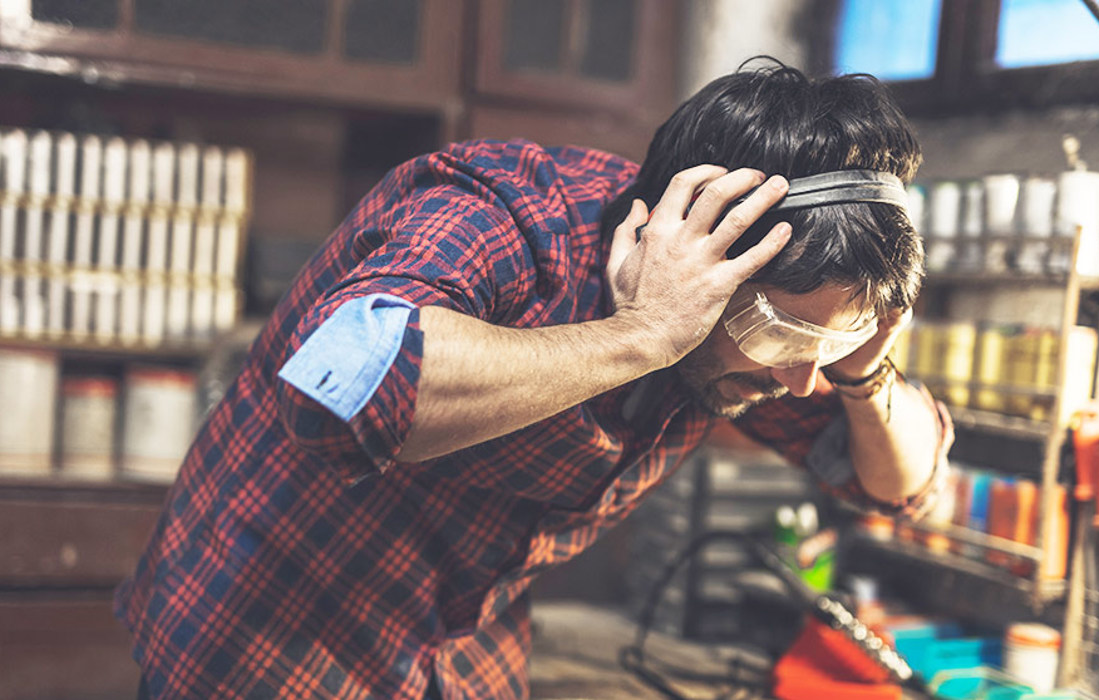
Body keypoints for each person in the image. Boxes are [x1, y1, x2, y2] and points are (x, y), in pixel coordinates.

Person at [117, 59, 952, 700]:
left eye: (830, 337)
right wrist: (644, 335)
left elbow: (899, 488)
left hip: (463, 660)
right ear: (692, 259)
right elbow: (345, 388)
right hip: (269, 639)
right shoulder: (508, 212)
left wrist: (864, 367)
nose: (805, 379)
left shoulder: (775, 355)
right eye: (781, 334)